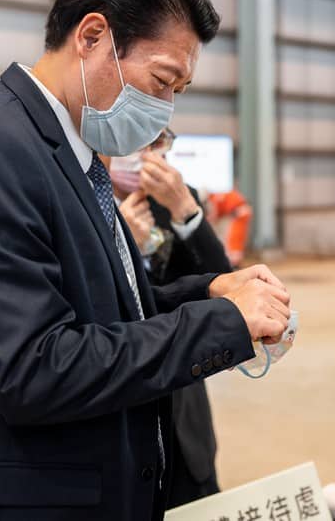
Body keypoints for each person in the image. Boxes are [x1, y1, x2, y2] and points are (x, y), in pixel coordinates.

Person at [0, 0, 291, 521]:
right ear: (92, 36)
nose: (165, 110)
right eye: (161, 81)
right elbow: (33, 367)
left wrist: (205, 293)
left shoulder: (73, 156)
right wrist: (220, 325)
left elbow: (107, 309)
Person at [109, 129, 231, 508]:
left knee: (196, 493)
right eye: (135, 143)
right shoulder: (78, 202)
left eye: (156, 144)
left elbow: (220, 283)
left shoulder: (173, 198)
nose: (144, 154)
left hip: (181, 393)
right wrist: (118, 245)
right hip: (116, 394)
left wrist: (186, 212)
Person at [206, 188, 252, 268]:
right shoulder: (220, 195)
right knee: (236, 239)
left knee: (234, 239)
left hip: (238, 213)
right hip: (240, 212)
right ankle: (234, 262)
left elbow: (214, 216)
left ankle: (233, 263)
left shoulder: (213, 198)